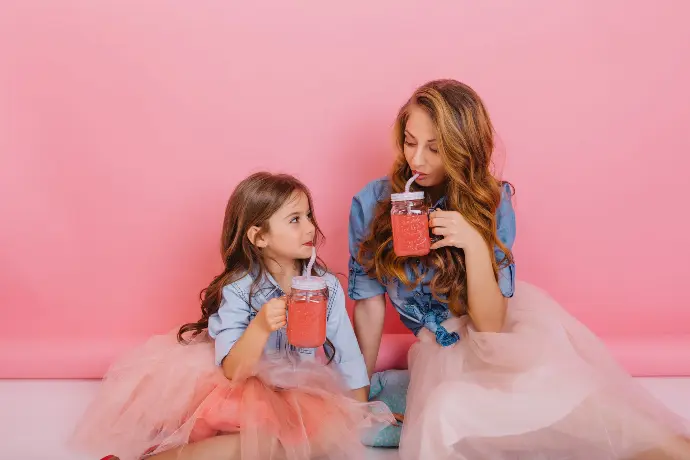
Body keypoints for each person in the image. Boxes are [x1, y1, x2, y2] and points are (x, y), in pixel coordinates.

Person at [348, 79, 690, 459]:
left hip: (500, 330)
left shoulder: (490, 201)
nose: (417, 160)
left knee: (573, 406)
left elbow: (490, 326)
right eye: (410, 142)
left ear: (462, 150)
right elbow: (369, 305)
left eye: (435, 148)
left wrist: (473, 243)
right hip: (441, 350)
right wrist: (359, 399)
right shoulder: (372, 203)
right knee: (445, 412)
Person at [72, 172, 393, 460]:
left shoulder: (324, 286)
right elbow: (233, 370)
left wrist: (358, 411)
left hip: (299, 394)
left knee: (315, 441)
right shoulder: (241, 289)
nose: (310, 227)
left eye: (309, 215)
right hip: (243, 388)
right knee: (262, 440)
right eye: (295, 219)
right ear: (259, 237)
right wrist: (261, 326)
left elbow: (348, 356)